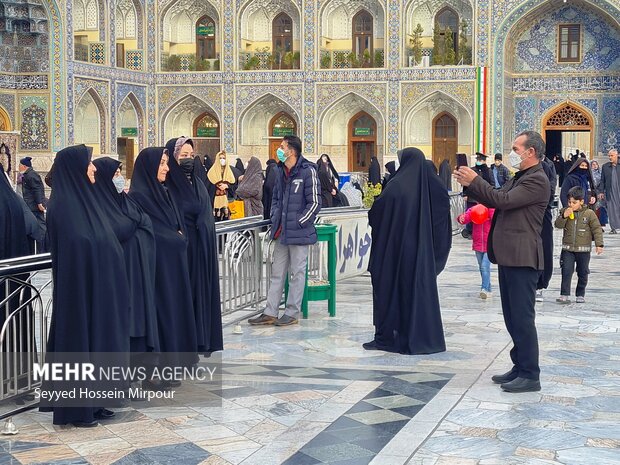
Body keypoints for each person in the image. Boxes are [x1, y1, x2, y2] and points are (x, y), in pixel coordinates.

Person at [454, 130, 549, 393]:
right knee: (511, 317)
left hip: (523, 257)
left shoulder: (537, 180)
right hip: (509, 256)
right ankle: (519, 366)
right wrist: (472, 183)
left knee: (522, 317)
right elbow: (494, 196)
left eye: (516, 149)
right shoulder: (522, 177)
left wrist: (476, 180)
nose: (512, 153)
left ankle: (531, 374)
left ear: (530, 152)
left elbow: (502, 201)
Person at [43, 145, 130, 426]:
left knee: (97, 343)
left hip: (98, 290)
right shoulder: (63, 206)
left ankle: (97, 400)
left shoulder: (85, 202)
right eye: (89, 163)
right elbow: (77, 248)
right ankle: (77, 409)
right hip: (79, 292)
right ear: (75, 168)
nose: (93, 168)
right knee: (79, 343)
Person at [363, 147, 451, 354]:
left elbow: (376, 214)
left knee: (387, 290)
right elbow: (441, 217)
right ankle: (415, 336)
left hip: (393, 251)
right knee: (414, 293)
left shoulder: (396, 185)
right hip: (419, 252)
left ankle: (387, 337)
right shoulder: (430, 185)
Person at [129, 147, 198, 377]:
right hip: (157, 270)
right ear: (149, 167)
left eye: (167, 163)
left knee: (174, 313)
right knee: (162, 316)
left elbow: (176, 224)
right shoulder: (139, 196)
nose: (167, 168)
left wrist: (180, 237)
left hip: (173, 267)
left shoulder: (163, 192)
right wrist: (174, 239)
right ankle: (157, 370)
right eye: (162, 164)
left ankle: (174, 364)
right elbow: (150, 230)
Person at [248, 135, 320, 327]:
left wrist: (300, 222)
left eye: (282, 147)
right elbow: (276, 199)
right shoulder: (280, 171)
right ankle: (270, 311)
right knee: (277, 272)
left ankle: (292, 312)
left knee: (297, 273)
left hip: (299, 232)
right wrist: (275, 217)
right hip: (282, 232)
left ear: (292, 150)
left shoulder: (307, 171)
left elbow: (315, 202)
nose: (279, 150)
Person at [92, 157, 159, 356]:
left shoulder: (126, 200)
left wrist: (135, 234)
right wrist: (134, 230)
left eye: (120, 173)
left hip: (136, 273)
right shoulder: (99, 204)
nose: (119, 179)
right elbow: (115, 230)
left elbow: (143, 223)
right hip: (119, 276)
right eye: (115, 174)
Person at [164, 137, 223, 355]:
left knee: (199, 293)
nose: (188, 160)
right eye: (183, 156)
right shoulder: (168, 185)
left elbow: (205, 213)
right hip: (180, 253)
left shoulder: (198, 182)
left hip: (200, 250)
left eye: (191, 156)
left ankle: (200, 338)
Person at [554, 186, 603, 304]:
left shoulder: (589, 213)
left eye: (574, 202)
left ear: (581, 201)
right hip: (568, 249)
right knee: (566, 271)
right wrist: (564, 216)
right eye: (569, 202)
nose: (571, 205)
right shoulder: (564, 211)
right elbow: (558, 225)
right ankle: (564, 294)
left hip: (583, 250)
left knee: (583, 272)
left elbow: (596, 229)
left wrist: (599, 244)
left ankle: (580, 294)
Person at [457, 204, 495, 299]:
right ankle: (488, 289)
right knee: (481, 267)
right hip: (478, 243)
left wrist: (489, 211)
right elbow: (465, 218)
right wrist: (460, 218)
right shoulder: (474, 209)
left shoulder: (492, 209)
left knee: (484, 266)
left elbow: (497, 219)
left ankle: (484, 289)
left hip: (489, 244)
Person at [535, 155, 557, 302]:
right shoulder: (525, 170)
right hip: (527, 216)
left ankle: (540, 284)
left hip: (542, 213)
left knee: (544, 249)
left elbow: (550, 187)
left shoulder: (547, 167)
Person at [19, 156, 47, 253]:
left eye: (20, 165)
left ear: (24, 166)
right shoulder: (28, 174)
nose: (19, 167)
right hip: (31, 205)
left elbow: (37, 189)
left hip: (34, 206)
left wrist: (39, 203)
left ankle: (43, 247)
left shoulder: (31, 175)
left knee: (40, 227)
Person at [207, 150, 236, 221]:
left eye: (224, 158)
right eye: (220, 158)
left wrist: (227, 186)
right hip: (214, 204)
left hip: (226, 204)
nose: (222, 160)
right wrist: (217, 186)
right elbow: (208, 187)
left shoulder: (229, 172)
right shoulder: (211, 172)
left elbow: (234, 186)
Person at [599, 149, 620, 234]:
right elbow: (602, 180)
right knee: (611, 210)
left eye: (612, 155)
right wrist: (601, 192)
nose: (610, 157)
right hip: (610, 191)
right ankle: (614, 228)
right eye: (609, 156)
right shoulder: (605, 166)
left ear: (617, 155)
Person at [590, 160, 608, 231]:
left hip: (601, 193)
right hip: (593, 193)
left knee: (601, 209)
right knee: (594, 209)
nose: (595, 166)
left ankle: (601, 224)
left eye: (596, 164)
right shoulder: (590, 174)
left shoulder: (601, 173)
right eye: (593, 164)